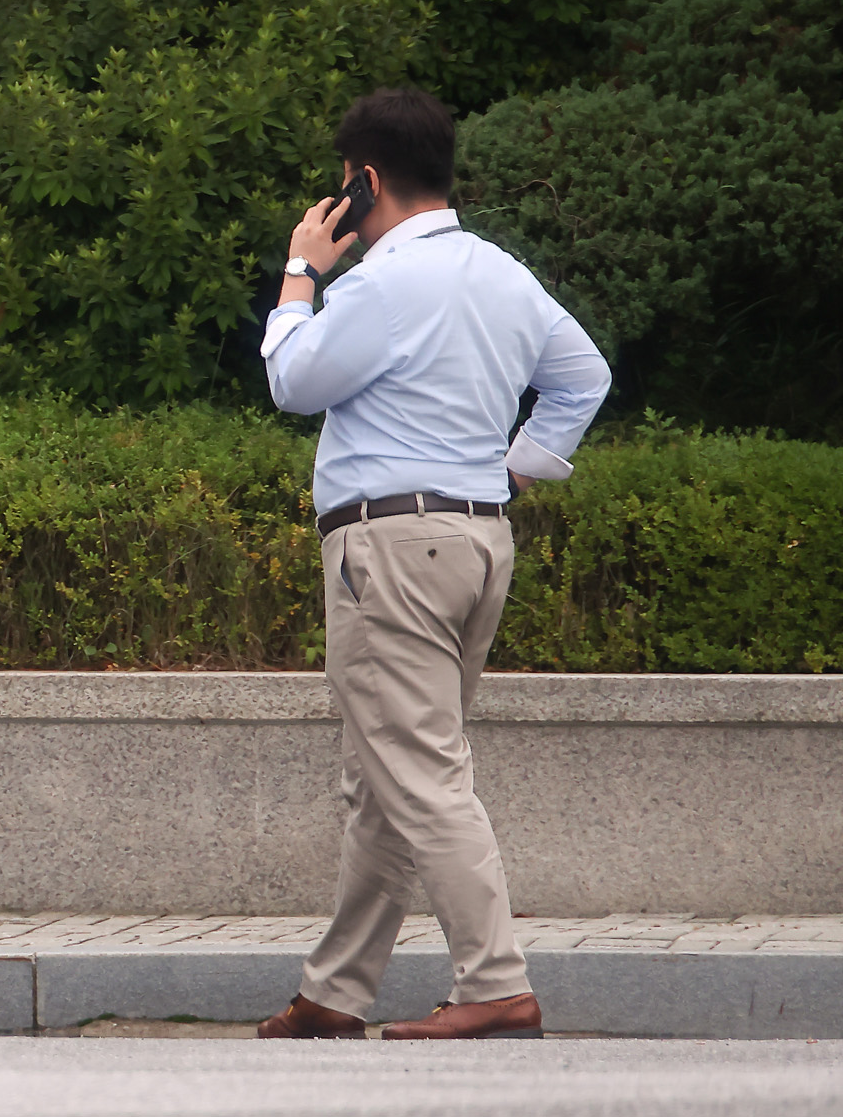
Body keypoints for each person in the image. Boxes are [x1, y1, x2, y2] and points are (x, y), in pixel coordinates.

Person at [253, 88, 611, 1042]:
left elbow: (292, 381)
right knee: (388, 777)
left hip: (390, 546)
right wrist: (519, 465)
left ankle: (496, 983)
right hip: (479, 538)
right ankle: (334, 993)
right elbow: (584, 375)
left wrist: (300, 270)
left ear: (363, 182)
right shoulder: (505, 275)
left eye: (342, 186)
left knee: (418, 769)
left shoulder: (379, 285)